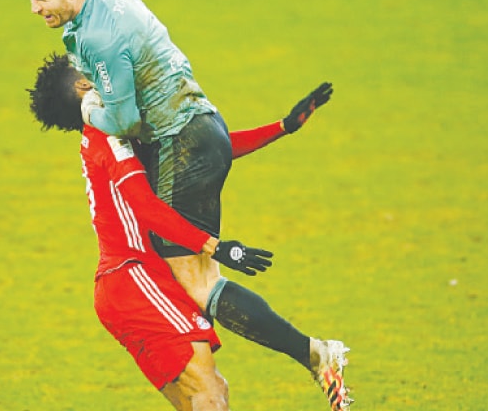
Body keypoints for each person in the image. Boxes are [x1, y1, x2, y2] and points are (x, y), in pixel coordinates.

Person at [26, 52, 352, 410]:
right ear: (83, 85)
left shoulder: (118, 129)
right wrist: (216, 247)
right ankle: (315, 354)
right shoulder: (106, 138)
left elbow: (197, 157)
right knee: (209, 395)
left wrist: (282, 127)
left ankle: (315, 354)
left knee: (209, 395)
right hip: (135, 278)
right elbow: (147, 209)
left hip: (136, 283)